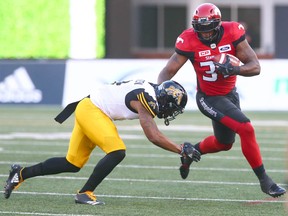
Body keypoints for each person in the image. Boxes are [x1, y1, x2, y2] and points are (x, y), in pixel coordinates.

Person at [157, 3, 286, 198]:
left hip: (230, 94)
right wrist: (160, 90)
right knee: (246, 128)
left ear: (218, 25)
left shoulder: (232, 32)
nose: (205, 34)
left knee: (224, 143)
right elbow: (168, 71)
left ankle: (189, 152)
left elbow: (255, 67)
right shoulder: (189, 40)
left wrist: (234, 69)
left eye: (209, 30)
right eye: (201, 31)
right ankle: (264, 180)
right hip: (208, 97)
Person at [3, 79, 201, 205]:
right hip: (92, 110)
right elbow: (152, 135)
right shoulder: (146, 98)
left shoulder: (150, 89)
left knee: (72, 163)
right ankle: (85, 193)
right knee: (117, 151)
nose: (171, 112)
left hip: (88, 106)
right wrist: (180, 150)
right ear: (165, 99)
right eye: (173, 107)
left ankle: (20, 173)